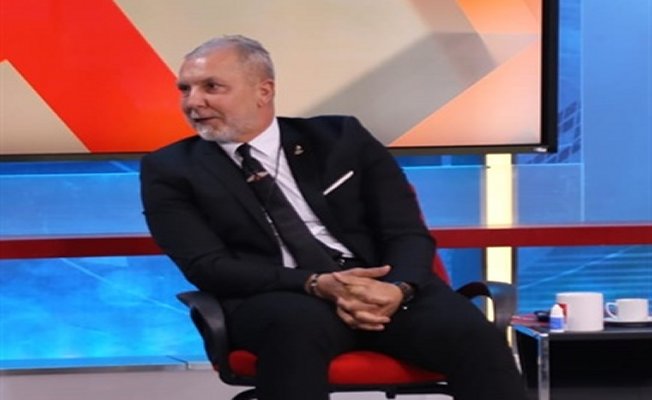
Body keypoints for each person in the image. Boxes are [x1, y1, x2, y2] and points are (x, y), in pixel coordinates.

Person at [140, 34, 528, 400]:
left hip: (381, 286)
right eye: (185, 89)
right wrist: (315, 284)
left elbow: (406, 231)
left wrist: (399, 288)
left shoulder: (341, 138)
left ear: (264, 91)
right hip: (278, 295)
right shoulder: (170, 169)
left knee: (472, 335)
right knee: (295, 330)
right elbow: (207, 266)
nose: (193, 102)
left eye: (211, 87)